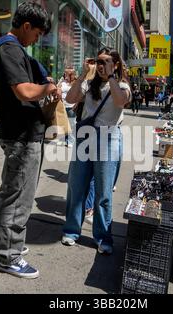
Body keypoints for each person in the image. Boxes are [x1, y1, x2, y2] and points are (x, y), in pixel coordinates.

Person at [0, 2, 59, 279]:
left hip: (18, 134)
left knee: (10, 193)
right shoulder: (9, 48)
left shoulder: (7, 48)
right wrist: (48, 88)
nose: (37, 39)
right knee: (19, 198)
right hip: (21, 136)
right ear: (26, 26)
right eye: (37, 33)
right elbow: (24, 90)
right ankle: (8, 256)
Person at [62, 47, 131, 254]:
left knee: (103, 192)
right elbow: (71, 99)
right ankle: (72, 230)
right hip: (85, 139)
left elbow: (120, 101)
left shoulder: (122, 85)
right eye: (98, 61)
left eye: (105, 61)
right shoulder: (89, 84)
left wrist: (110, 76)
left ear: (116, 64)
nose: (100, 65)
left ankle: (102, 237)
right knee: (76, 186)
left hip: (109, 139)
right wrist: (84, 73)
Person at [58, 67, 77, 147]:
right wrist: (61, 80)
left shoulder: (76, 83)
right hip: (63, 106)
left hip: (71, 106)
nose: (65, 75)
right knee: (63, 124)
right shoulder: (62, 82)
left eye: (67, 74)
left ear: (71, 75)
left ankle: (70, 140)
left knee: (71, 124)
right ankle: (63, 139)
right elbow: (57, 88)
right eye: (64, 73)